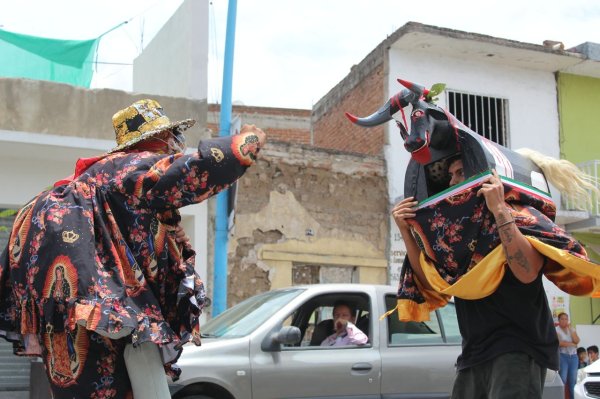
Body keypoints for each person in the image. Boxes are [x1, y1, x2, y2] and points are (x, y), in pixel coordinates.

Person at [0, 99, 266, 399]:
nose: (176, 146)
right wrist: (248, 140)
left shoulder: (93, 181)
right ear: (160, 139)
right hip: (109, 321)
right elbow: (200, 169)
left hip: (71, 317)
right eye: (173, 138)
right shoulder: (133, 167)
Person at [392, 157, 558, 399]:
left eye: (459, 173)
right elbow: (432, 284)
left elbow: (527, 272)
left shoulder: (520, 218)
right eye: (450, 175)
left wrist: (499, 209)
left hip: (517, 348)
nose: (452, 182)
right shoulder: (455, 237)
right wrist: (406, 230)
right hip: (473, 352)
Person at [556, 312, 580, 399]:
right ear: (558, 320)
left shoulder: (571, 329)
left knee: (573, 381)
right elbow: (559, 343)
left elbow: (577, 341)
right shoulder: (556, 330)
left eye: (566, 319)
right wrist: (572, 344)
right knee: (563, 379)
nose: (564, 321)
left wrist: (571, 331)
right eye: (562, 319)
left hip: (573, 357)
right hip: (563, 356)